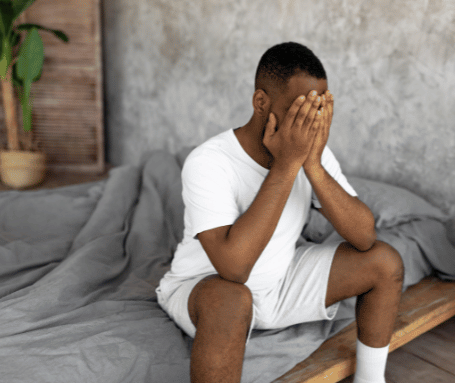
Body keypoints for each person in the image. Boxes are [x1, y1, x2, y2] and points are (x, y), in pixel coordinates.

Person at [156, 42, 404, 383]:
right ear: (261, 102)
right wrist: (287, 165)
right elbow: (233, 268)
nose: (309, 122)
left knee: (384, 260)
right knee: (231, 299)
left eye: (318, 109)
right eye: (300, 110)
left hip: (280, 283)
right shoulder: (209, 161)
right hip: (206, 288)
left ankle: (371, 380)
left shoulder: (310, 149)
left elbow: (364, 236)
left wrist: (313, 165)